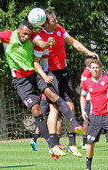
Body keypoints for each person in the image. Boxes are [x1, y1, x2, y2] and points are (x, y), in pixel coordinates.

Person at [0, 20, 83, 159]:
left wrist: (47, 43)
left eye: (29, 35)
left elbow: (41, 43)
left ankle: (76, 125)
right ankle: (52, 146)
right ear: (18, 30)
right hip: (20, 81)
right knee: (36, 110)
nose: (27, 37)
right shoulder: (7, 36)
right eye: (24, 34)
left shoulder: (33, 36)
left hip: (34, 74)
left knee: (52, 95)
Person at [33, 8, 99, 159]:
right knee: (54, 109)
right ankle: (54, 146)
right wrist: (44, 76)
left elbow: (73, 42)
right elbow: (36, 60)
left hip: (64, 71)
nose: (57, 22)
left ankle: (72, 144)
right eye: (53, 21)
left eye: (56, 19)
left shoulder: (59, 29)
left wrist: (88, 52)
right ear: (45, 24)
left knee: (70, 106)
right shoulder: (40, 37)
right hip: (51, 73)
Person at [80, 59, 108, 170]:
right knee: (91, 143)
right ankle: (87, 169)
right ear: (90, 69)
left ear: (100, 69)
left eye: (97, 68)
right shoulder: (87, 82)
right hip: (94, 117)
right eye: (93, 68)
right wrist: (83, 110)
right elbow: (83, 96)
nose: (95, 70)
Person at [79, 56, 94, 150]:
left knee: (90, 119)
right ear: (88, 63)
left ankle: (88, 141)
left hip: (90, 98)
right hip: (86, 99)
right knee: (86, 119)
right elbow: (81, 84)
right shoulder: (87, 71)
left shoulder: (90, 71)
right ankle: (85, 142)